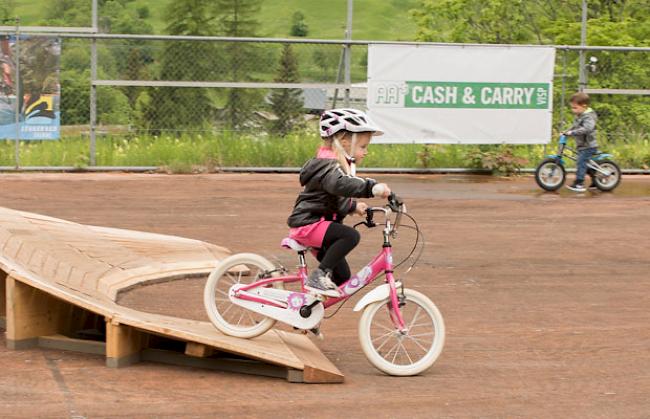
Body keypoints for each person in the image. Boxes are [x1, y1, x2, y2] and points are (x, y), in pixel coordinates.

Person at [287, 108, 390, 297]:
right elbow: (339, 185)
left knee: (342, 276)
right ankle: (318, 275)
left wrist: (352, 207)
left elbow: (332, 198)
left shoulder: (336, 166)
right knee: (350, 236)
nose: (365, 152)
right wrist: (371, 188)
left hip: (319, 225)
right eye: (363, 146)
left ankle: (305, 311)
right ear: (344, 142)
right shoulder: (328, 165)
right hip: (308, 224)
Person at [562, 92, 598, 192]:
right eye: (572, 108)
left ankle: (579, 184)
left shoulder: (588, 117)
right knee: (586, 164)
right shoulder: (579, 115)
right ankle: (596, 181)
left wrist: (572, 132)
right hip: (583, 145)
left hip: (589, 145)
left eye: (575, 108)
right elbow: (574, 127)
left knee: (581, 162)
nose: (573, 110)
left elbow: (587, 128)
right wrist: (566, 132)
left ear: (584, 106)